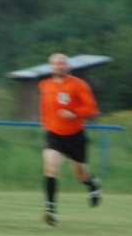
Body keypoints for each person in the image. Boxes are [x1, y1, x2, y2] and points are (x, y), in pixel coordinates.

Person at [39, 53, 101, 226]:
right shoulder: (45, 85)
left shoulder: (78, 85)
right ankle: (50, 210)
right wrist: (45, 123)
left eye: (63, 63)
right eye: (56, 63)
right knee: (51, 168)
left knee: (80, 175)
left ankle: (93, 184)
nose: (60, 66)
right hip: (54, 136)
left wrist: (74, 113)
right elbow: (45, 107)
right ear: (51, 66)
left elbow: (92, 109)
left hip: (75, 136)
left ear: (68, 66)